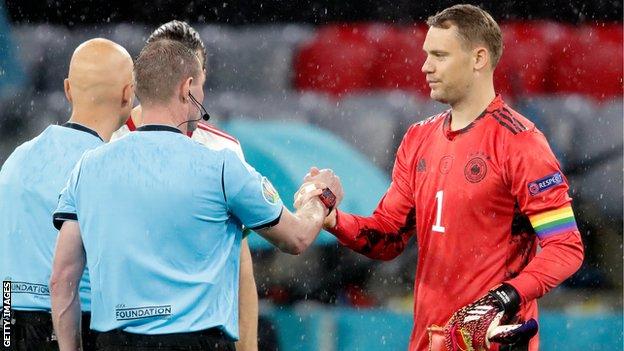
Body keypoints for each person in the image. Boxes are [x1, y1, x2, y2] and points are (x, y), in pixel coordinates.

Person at [302, 4, 584, 351]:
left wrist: (506, 298)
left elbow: (566, 247)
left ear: (479, 58)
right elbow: (388, 236)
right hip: (428, 341)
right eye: (426, 55)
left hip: (492, 342)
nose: (426, 66)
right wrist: (333, 219)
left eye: (439, 55)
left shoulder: (522, 144)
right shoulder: (418, 139)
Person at [50, 39, 340, 351]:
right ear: (187, 87)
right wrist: (321, 199)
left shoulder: (88, 167)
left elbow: (63, 277)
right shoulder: (222, 167)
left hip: (116, 341)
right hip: (197, 341)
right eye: (201, 86)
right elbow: (296, 238)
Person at [110, 20, 257, 351]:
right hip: (125, 335)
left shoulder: (224, 151)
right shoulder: (107, 147)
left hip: (196, 336)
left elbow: (240, 266)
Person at [0, 38, 134, 350]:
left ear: (68, 89)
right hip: (74, 326)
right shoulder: (110, 170)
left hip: (6, 319)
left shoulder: (17, 158)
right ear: (128, 94)